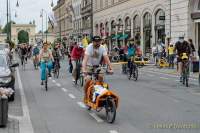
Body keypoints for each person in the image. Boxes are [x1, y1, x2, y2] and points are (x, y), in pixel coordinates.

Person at [82, 36, 113, 102]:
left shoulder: (102, 47)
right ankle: (85, 95)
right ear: (92, 42)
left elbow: (106, 58)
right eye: (95, 42)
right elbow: (85, 59)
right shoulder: (89, 47)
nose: (97, 43)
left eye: (98, 42)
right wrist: (84, 69)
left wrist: (111, 68)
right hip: (89, 66)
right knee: (88, 80)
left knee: (101, 76)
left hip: (97, 66)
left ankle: (100, 92)